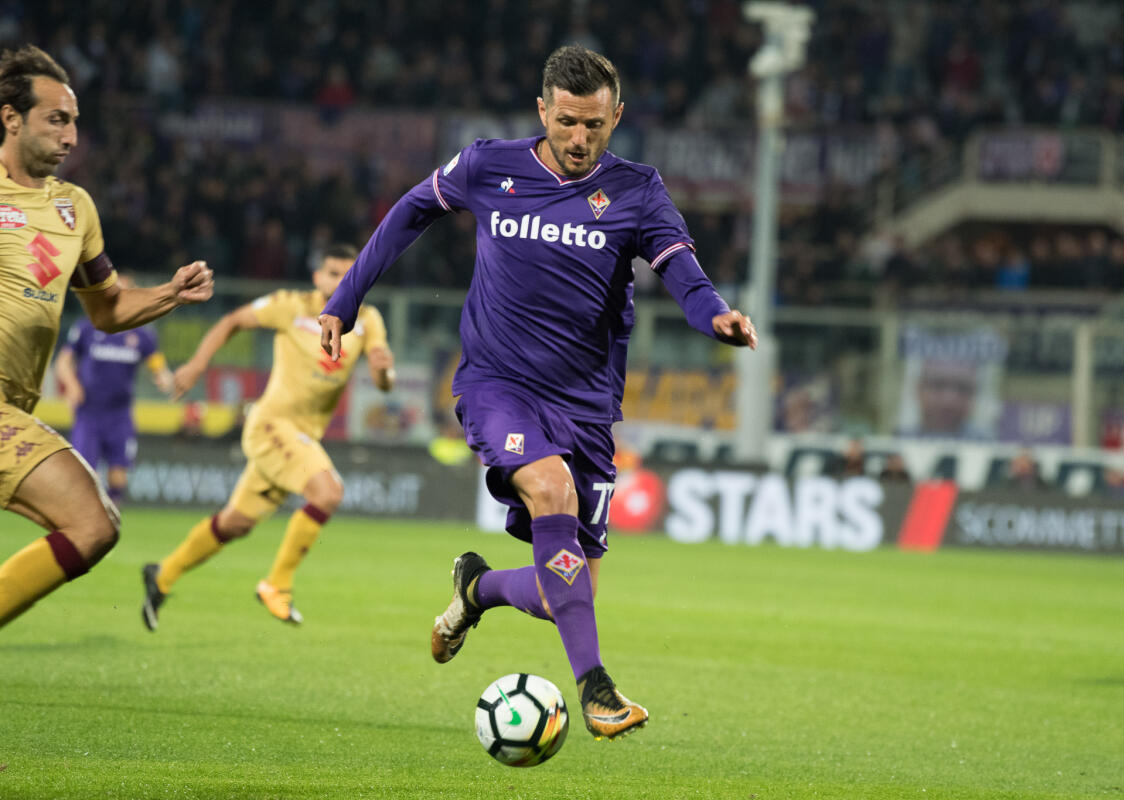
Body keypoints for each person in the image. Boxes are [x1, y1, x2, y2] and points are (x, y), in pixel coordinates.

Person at [318, 45, 757, 741]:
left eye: (594, 125)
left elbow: (683, 271)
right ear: (542, 110)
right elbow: (409, 211)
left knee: (563, 594)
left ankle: (477, 589)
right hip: (498, 385)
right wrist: (344, 301)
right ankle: (597, 690)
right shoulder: (490, 165)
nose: (580, 140)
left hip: (586, 405)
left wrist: (716, 318)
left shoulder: (638, 190)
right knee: (551, 491)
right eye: (566, 122)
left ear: (617, 116)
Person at [0, 45, 213, 629]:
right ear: (11, 119)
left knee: (95, 526)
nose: (71, 136)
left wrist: (170, 293)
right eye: (57, 119)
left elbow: (108, 307)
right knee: (94, 524)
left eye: (75, 122)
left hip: (12, 412)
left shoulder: (75, 209)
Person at [140, 243, 394, 632]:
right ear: (316, 277)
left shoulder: (369, 319)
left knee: (235, 523)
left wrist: (382, 371)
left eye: (348, 272)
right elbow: (232, 322)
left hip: (302, 438)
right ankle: (277, 584)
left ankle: (162, 575)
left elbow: (384, 382)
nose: (339, 279)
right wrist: (196, 365)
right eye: (332, 271)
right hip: (272, 425)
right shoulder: (291, 305)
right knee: (328, 492)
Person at [53, 272, 174, 506]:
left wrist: (164, 379)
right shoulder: (88, 327)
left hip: (120, 414)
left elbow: (158, 366)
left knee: (118, 474)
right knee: (86, 474)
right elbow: (63, 361)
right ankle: (91, 523)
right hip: (89, 412)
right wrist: (71, 385)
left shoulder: (142, 334)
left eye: (124, 291)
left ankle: (112, 522)